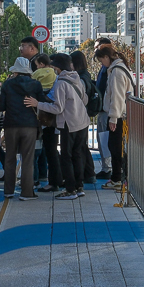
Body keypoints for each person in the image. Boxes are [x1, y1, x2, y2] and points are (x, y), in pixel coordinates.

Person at [25, 53, 88, 200]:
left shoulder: (61, 83)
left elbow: (58, 108)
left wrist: (38, 104)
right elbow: (84, 99)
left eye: (54, 66)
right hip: (82, 121)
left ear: (58, 67)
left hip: (68, 124)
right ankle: (79, 187)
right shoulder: (76, 78)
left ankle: (70, 190)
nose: (53, 69)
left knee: (66, 156)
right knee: (78, 155)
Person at [0, 57, 48, 200]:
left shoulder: (7, 85)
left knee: (10, 158)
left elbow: (1, 106)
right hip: (29, 126)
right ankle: (27, 193)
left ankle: (8, 191)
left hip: (11, 125)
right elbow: (41, 103)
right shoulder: (36, 84)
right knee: (27, 159)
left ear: (16, 71)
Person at [95, 46, 134, 190]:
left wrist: (113, 118)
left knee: (115, 147)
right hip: (123, 114)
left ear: (106, 57)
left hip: (119, 116)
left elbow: (117, 96)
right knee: (117, 147)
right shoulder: (122, 67)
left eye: (101, 60)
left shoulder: (116, 71)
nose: (102, 64)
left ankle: (118, 178)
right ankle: (120, 178)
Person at [31, 54, 60, 191]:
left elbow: (33, 82)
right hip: (51, 111)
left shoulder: (37, 74)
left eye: (37, 64)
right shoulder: (55, 75)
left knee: (48, 149)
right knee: (51, 149)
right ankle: (52, 178)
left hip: (42, 104)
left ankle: (49, 181)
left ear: (41, 64)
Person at [70, 50, 99, 184]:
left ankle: (84, 175)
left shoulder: (80, 78)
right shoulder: (85, 75)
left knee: (79, 146)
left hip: (80, 115)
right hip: (84, 115)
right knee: (82, 145)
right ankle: (89, 173)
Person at [92, 37, 114, 179]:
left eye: (97, 47)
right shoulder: (105, 66)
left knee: (105, 140)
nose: (95, 50)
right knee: (102, 139)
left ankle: (108, 169)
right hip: (104, 108)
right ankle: (107, 168)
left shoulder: (111, 67)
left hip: (107, 110)